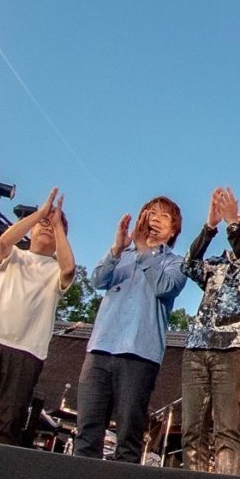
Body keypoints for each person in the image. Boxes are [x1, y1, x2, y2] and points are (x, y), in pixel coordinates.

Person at [0, 187, 76, 444]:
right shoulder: (15, 256)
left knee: (11, 420)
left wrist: (58, 226)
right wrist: (39, 214)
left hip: (27, 351)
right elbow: (3, 241)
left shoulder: (55, 270)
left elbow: (69, 269)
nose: (46, 227)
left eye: (52, 227)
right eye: (42, 224)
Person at [74, 196, 187, 462]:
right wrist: (117, 248)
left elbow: (165, 287)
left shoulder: (175, 262)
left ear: (173, 231)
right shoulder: (122, 254)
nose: (155, 219)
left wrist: (144, 251)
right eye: (151, 213)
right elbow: (97, 280)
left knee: (129, 436)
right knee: (87, 432)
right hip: (100, 349)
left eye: (164, 217)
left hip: (140, 355)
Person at [181, 186, 240, 474]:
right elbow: (189, 266)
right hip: (197, 347)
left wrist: (231, 225)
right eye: (239, 217)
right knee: (191, 429)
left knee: (226, 428)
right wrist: (210, 226)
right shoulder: (217, 264)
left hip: (233, 349)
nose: (238, 220)